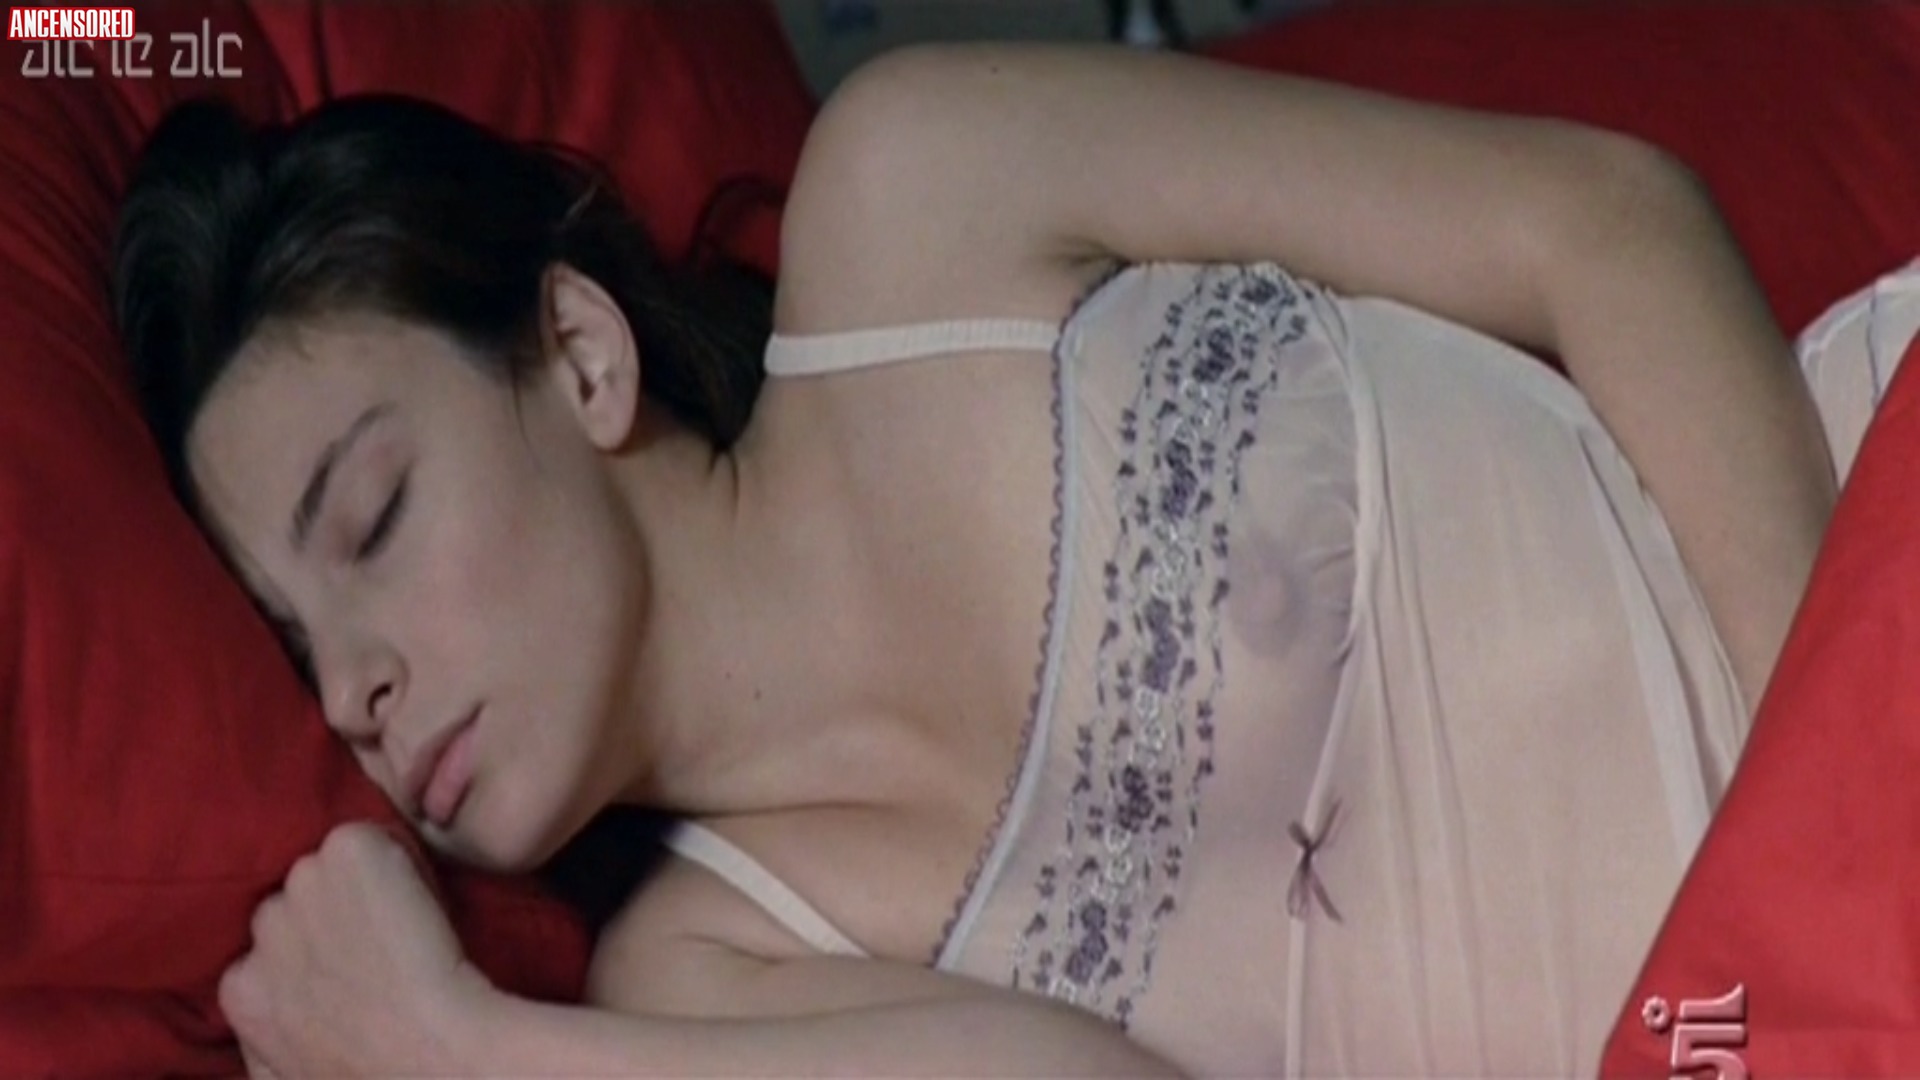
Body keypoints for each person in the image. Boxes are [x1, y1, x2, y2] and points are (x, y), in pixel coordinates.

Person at [112, 41, 1839, 1078]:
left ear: (578, 355)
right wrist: (471, 1055)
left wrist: (1841, 854)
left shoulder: (920, 197)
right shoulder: (696, 987)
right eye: (297, 649)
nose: (353, 691)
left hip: (1861, 637)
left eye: (372, 520)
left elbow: (1601, 224)